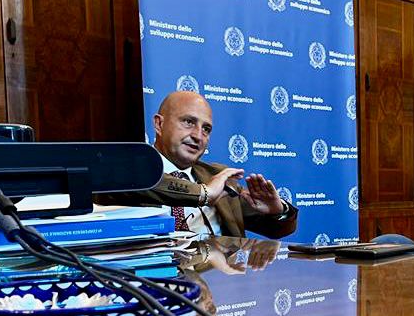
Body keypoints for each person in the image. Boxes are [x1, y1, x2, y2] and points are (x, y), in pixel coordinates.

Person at [95, 91, 296, 238]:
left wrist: (278, 210)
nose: (198, 136)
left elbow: (276, 230)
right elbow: (146, 182)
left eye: (206, 129)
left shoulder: (217, 175)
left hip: (219, 276)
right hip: (156, 277)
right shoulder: (126, 171)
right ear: (159, 124)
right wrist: (204, 193)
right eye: (188, 122)